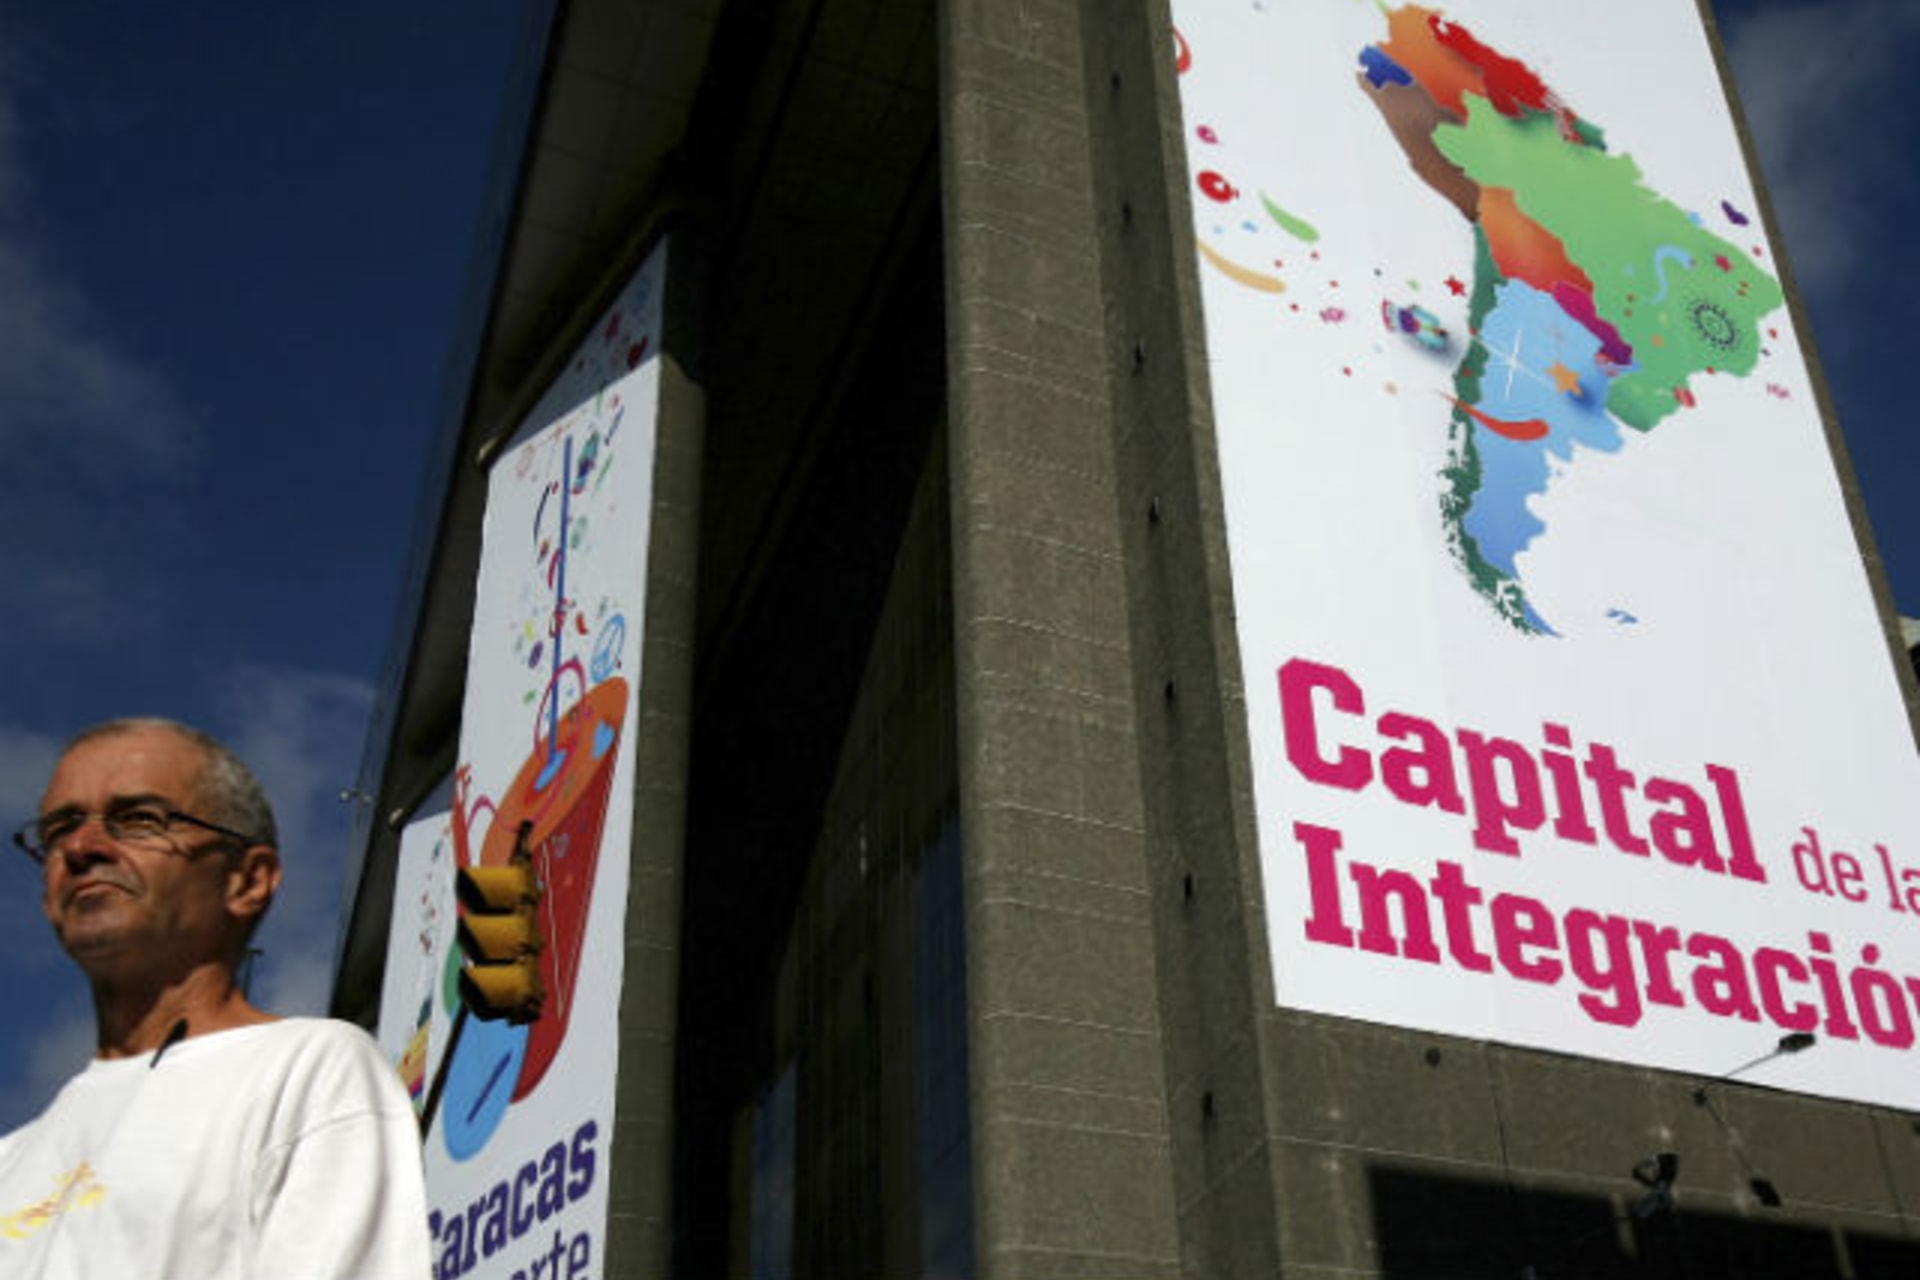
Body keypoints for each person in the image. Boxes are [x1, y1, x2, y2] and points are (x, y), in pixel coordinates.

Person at [0, 718, 431, 1279]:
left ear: (248, 880)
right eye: (60, 828)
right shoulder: (12, 1159)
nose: (82, 848)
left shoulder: (308, 1071)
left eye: (137, 819)